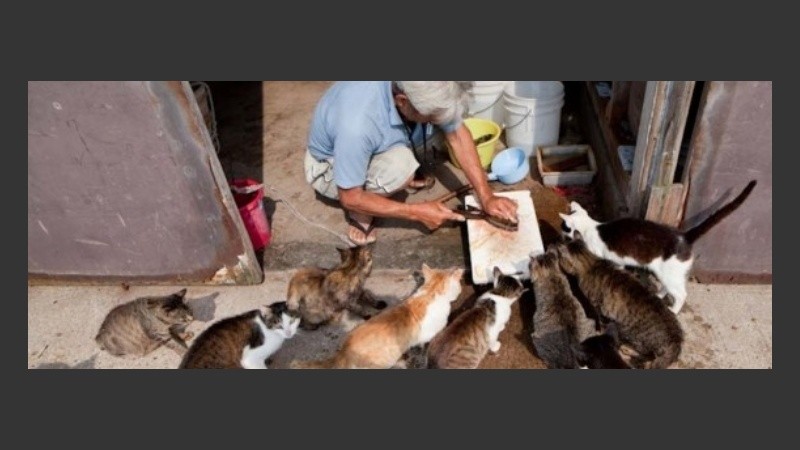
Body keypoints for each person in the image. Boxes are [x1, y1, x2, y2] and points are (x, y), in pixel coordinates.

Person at [304, 81, 519, 245]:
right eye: (431, 115)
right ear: (402, 101)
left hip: (378, 134)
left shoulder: (422, 87)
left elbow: (458, 135)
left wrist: (486, 196)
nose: (439, 120)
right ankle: (361, 214)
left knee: (440, 124)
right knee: (401, 167)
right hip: (329, 166)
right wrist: (417, 212)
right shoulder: (358, 123)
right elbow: (350, 196)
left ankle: (390, 159)